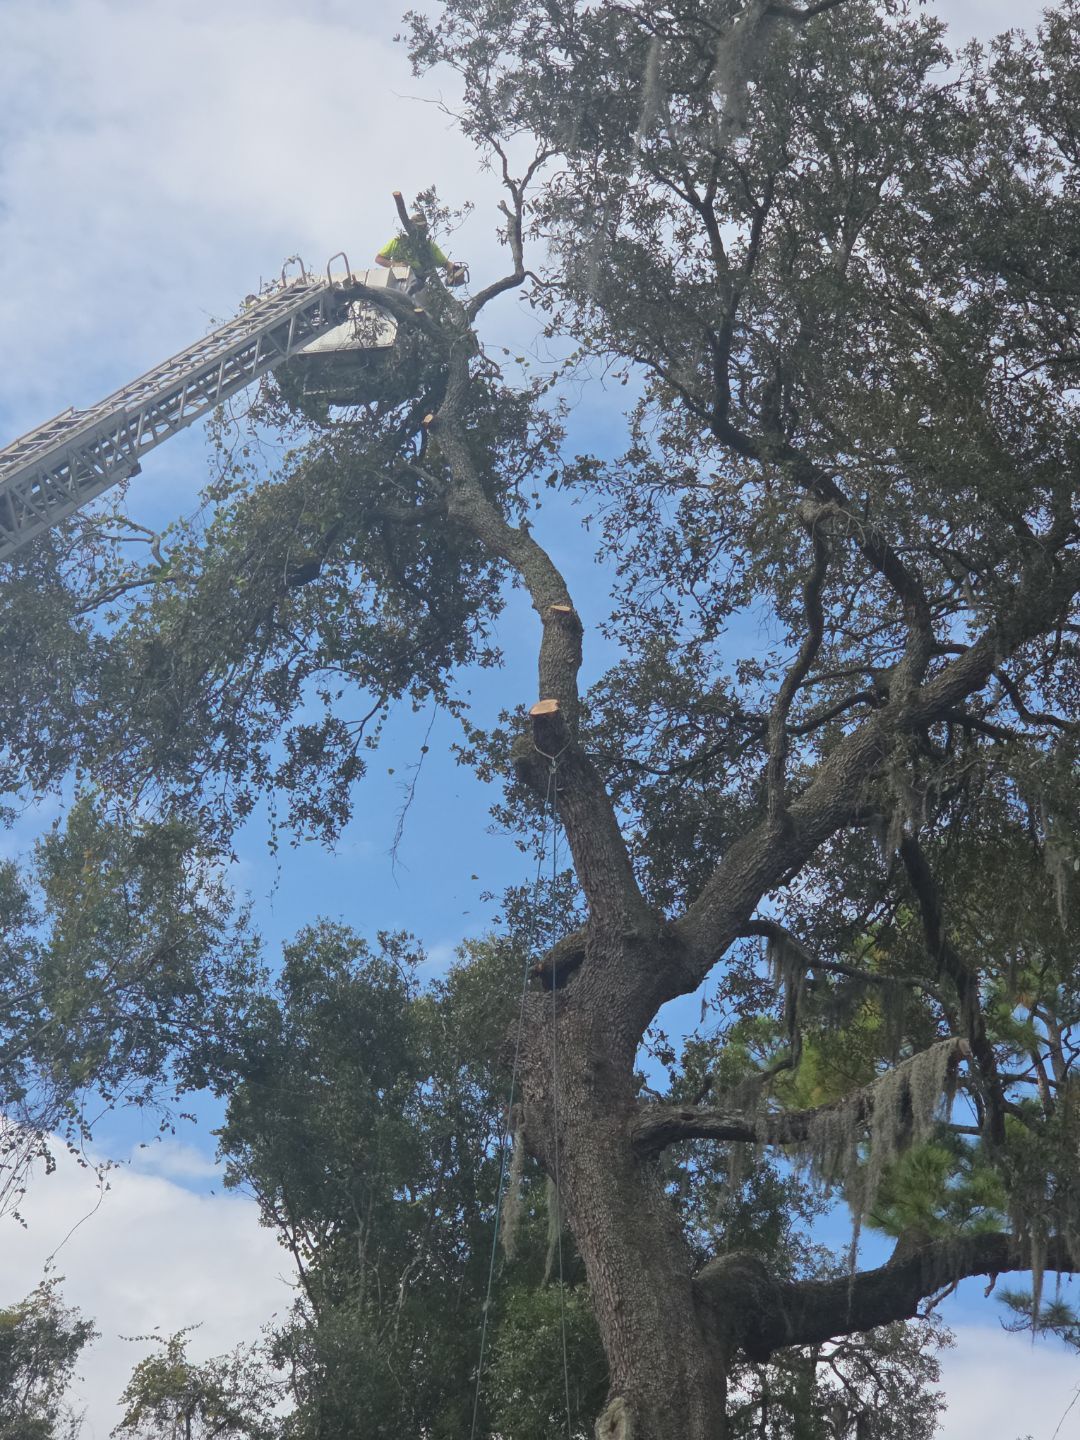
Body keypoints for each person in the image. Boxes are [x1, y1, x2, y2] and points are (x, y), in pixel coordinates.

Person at [375, 212, 466, 287]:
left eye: (424, 227)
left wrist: (454, 270)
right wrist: (395, 265)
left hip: (418, 284)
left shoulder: (429, 246)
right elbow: (379, 259)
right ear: (412, 227)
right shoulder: (398, 242)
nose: (422, 229)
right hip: (397, 281)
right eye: (419, 227)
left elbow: (446, 264)